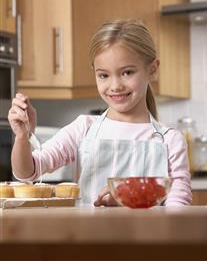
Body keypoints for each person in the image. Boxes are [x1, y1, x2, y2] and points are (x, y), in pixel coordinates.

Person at [8, 19, 192, 207]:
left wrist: (127, 204)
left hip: (148, 237)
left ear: (152, 70)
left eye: (127, 72)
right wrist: (23, 137)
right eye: (104, 75)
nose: (115, 86)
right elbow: (28, 172)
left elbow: (177, 210)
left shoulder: (170, 141)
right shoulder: (84, 129)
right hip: (89, 237)